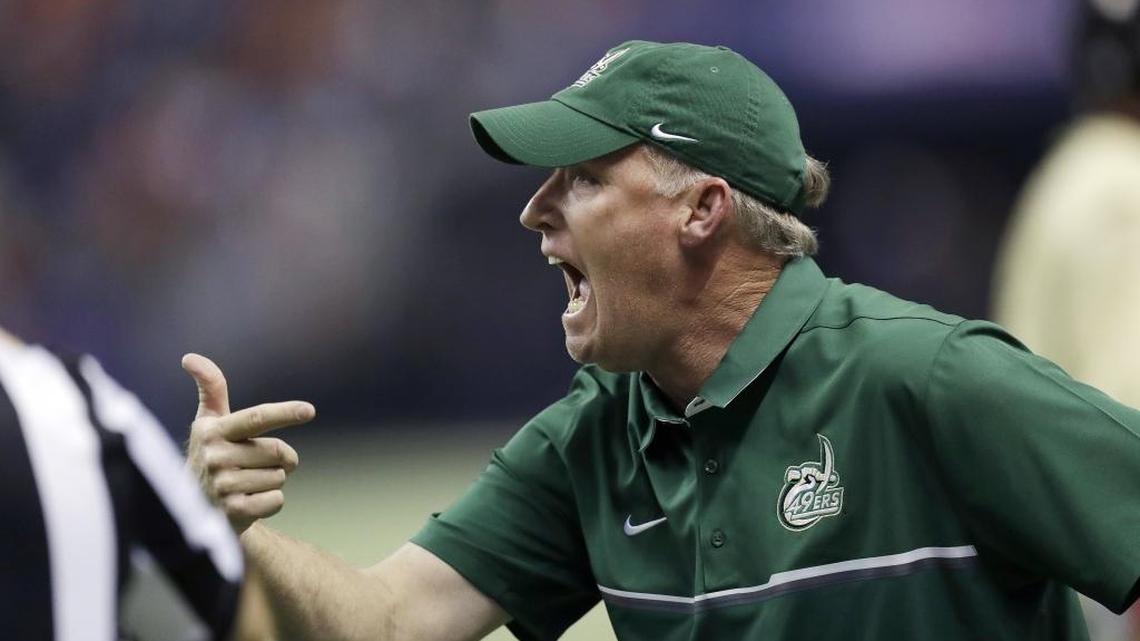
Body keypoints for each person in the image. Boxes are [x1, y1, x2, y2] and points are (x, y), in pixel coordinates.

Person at [185, 41, 1140, 640]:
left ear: (702, 210)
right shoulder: (593, 436)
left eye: (582, 180)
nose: (534, 212)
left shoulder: (925, 377)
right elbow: (386, 621)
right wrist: (226, 528)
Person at [993, 1, 1140, 639]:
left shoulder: (1069, 170)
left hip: (1059, 544)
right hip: (1109, 562)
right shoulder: (1122, 186)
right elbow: (1125, 399)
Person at [0, 327, 245, 640]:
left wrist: (194, 508)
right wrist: (196, 514)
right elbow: (238, 613)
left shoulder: (71, 403)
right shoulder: (70, 402)